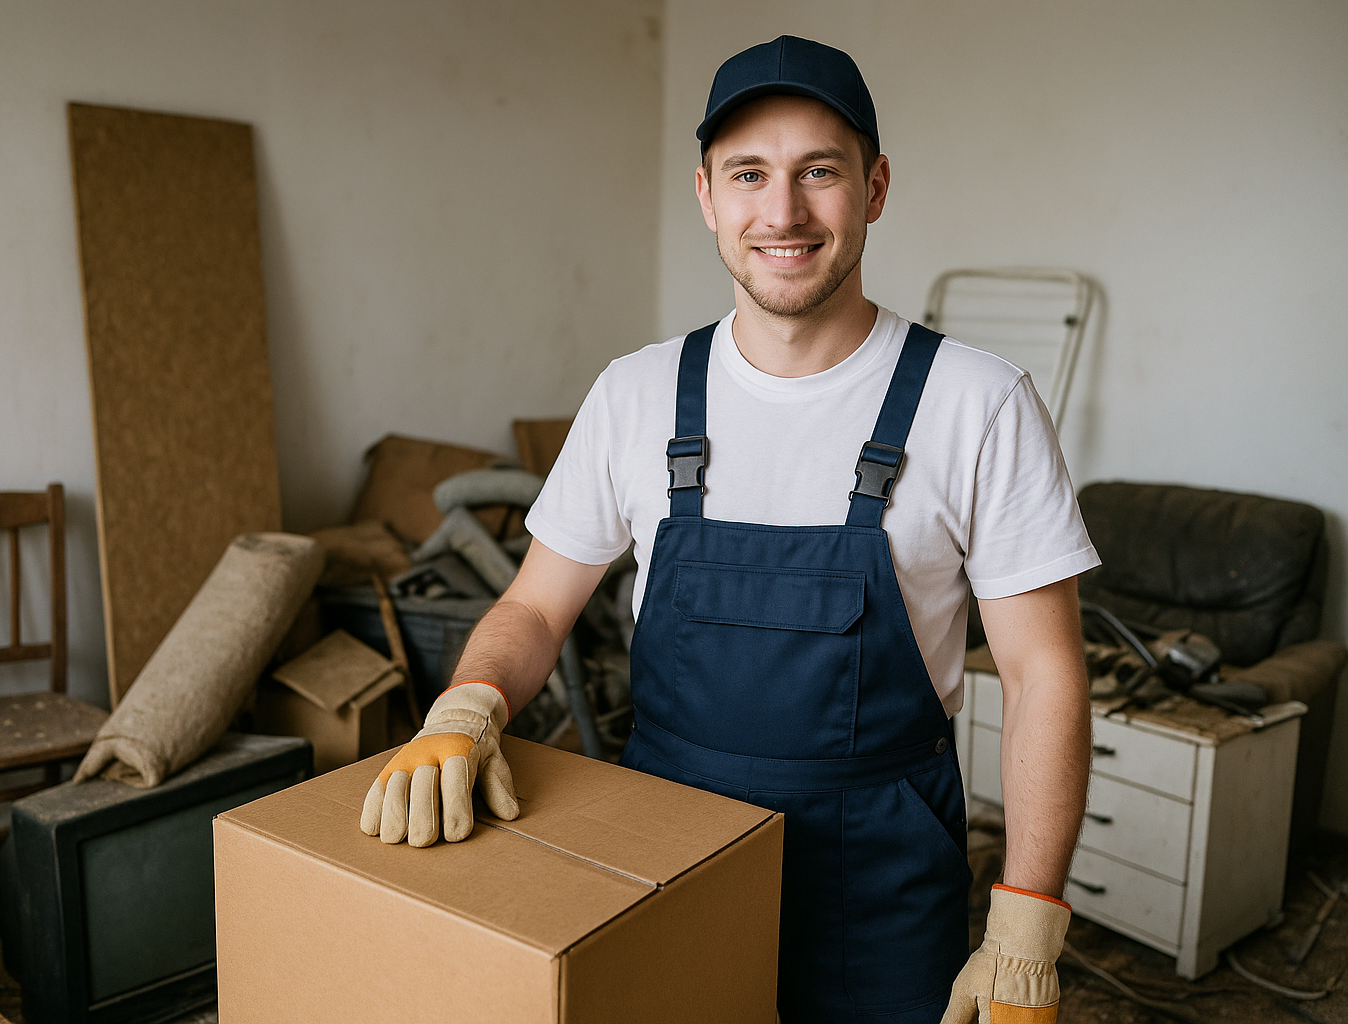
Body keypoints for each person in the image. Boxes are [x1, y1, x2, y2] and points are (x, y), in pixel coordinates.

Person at [360, 34, 1095, 1024]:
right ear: (706, 196)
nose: (782, 212)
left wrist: (1027, 920)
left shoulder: (979, 402)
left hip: (878, 882)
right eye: (749, 174)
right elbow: (536, 602)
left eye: (818, 173)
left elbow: (1046, 672)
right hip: (659, 857)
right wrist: (469, 701)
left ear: (874, 188)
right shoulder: (636, 394)